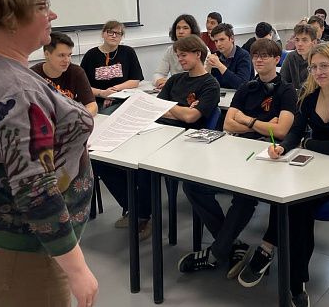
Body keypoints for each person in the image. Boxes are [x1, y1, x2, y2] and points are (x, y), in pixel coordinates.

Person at [0, 0, 98, 307]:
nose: (53, 14)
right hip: (26, 259)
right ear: (10, 19)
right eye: (42, 6)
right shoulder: (17, 90)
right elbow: (35, 191)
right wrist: (77, 269)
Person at [245, 43, 329, 306]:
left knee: (297, 205)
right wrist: (283, 147)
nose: (318, 72)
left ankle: (281, 264)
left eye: (324, 66)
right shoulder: (309, 97)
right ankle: (294, 278)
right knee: (287, 195)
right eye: (313, 67)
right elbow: (295, 132)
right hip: (314, 166)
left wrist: (305, 144)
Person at [178, 39, 296, 277]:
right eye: (255, 56)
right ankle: (232, 245)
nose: (259, 60)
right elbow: (228, 124)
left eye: (265, 56)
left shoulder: (287, 91)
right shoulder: (246, 88)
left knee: (244, 196)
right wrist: (264, 125)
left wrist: (247, 120)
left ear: (277, 59)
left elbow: (282, 131)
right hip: (235, 148)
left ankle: (216, 253)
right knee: (192, 186)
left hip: (265, 154)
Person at [93, 35, 220, 239]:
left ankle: (143, 216)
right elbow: (156, 108)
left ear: (198, 54)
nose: (180, 59)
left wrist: (172, 109)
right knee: (102, 160)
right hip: (155, 130)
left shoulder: (210, 84)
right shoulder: (176, 79)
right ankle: (135, 207)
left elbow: (191, 118)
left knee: (144, 165)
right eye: (178, 55)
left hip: (182, 140)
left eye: (184, 55)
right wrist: (180, 109)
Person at [80, 20, 143, 112]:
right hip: (97, 100)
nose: (114, 36)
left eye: (118, 33)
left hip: (121, 98)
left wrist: (113, 91)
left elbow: (135, 80)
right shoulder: (91, 55)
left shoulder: (128, 52)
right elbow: (82, 86)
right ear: (103, 34)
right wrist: (103, 93)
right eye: (110, 32)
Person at [31, 31, 98, 116]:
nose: (67, 60)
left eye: (69, 55)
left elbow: (92, 106)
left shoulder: (76, 72)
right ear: (47, 54)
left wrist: (77, 118)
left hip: (70, 118)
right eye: (61, 55)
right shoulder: (32, 75)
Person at [153, 14, 200, 89]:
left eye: (185, 28)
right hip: (175, 88)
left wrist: (171, 83)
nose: (181, 31)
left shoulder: (201, 50)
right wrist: (159, 81)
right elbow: (159, 73)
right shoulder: (170, 50)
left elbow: (201, 78)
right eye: (178, 28)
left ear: (192, 31)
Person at [207, 23, 253, 89]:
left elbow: (242, 84)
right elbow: (208, 82)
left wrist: (219, 65)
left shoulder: (243, 56)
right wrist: (208, 67)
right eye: (216, 41)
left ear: (232, 38)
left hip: (241, 93)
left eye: (222, 39)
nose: (218, 44)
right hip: (223, 93)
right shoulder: (216, 55)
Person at [280, 23, 317, 90]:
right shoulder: (291, 56)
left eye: (304, 40)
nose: (299, 44)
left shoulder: (318, 58)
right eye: (297, 40)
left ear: (314, 43)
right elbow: (282, 81)